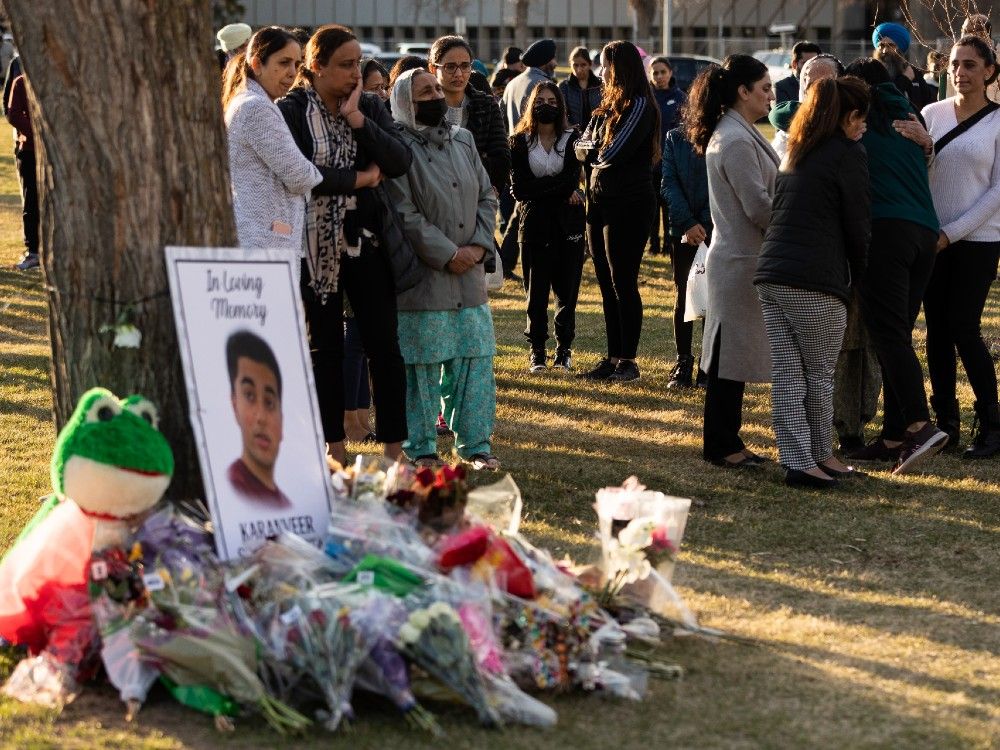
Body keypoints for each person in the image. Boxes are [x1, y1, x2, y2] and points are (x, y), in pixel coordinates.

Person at [278, 24, 411, 467]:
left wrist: (357, 121)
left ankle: (394, 449)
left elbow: (399, 161)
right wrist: (363, 178)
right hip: (315, 246)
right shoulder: (292, 110)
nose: (356, 73)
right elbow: (304, 178)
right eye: (345, 65)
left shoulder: (369, 105)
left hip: (367, 244)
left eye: (358, 63)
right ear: (315, 67)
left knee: (384, 346)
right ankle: (332, 447)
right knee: (325, 349)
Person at [755, 77, 871, 488]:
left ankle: (803, 458)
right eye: (860, 118)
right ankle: (813, 456)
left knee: (789, 373)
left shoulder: (795, 152)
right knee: (820, 375)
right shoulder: (847, 154)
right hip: (816, 280)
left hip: (773, 275)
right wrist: (861, 276)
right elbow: (858, 224)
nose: (863, 127)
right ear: (845, 117)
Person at [386, 68, 501, 470]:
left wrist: (477, 246)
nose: (437, 95)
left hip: (469, 275)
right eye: (426, 92)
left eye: (437, 89)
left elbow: (487, 195)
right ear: (405, 102)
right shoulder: (398, 148)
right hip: (426, 277)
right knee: (421, 367)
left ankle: (475, 446)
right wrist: (449, 253)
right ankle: (420, 448)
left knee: (474, 361)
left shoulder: (463, 139)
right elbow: (403, 211)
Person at [841, 57, 949, 473]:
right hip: (924, 234)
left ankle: (921, 427)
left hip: (886, 231)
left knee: (887, 337)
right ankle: (893, 436)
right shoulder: (907, 114)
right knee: (897, 336)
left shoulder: (857, 119)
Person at [686, 54, 778, 467]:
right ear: (743, 92)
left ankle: (728, 440)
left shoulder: (738, 131)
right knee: (726, 360)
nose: (771, 95)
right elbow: (758, 206)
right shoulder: (736, 139)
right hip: (739, 260)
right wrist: (797, 216)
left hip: (742, 259)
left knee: (732, 359)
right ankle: (720, 444)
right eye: (764, 88)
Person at [921, 35, 1000, 459]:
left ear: (989, 71)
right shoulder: (930, 114)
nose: (960, 72)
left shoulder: (998, 122)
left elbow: (997, 193)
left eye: (970, 65)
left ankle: (991, 423)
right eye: (954, 64)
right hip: (931, 242)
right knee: (936, 332)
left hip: (978, 241)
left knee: (964, 329)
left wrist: (950, 233)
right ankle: (945, 423)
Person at [575, 41, 660, 383]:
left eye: (605, 64)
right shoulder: (604, 107)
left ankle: (629, 361)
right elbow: (580, 146)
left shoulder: (639, 105)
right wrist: (591, 150)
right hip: (598, 201)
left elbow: (614, 153)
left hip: (629, 204)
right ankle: (612, 358)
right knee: (606, 284)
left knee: (623, 280)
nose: (601, 71)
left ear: (620, 67)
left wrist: (591, 150)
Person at [222, 27, 341, 260]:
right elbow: (300, 175)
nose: (292, 73)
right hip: (261, 244)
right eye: (284, 62)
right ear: (257, 63)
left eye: (297, 65)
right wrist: (313, 172)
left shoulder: (251, 101)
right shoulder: (256, 107)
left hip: (259, 237)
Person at [509, 82, 585, 372]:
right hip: (534, 224)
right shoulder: (519, 141)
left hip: (568, 223)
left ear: (560, 105)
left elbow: (571, 180)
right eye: (540, 100)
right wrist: (560, 189)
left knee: (567, 291)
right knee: (536, 292)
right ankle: (537, 351)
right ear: (531, 104)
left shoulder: (572, 138)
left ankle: (564, 349)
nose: (546, 105)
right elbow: (519, 189)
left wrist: (551, 188)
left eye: (552, 100)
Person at [661, 122, 712, 389]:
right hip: (682, 229)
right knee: (684, 294)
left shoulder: (723, 134)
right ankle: (683, 361)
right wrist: (689, 223)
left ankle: (708, 364)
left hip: (714, 228)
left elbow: (723, 182)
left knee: (712, 297)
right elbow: (668, 183)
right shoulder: (675, 137)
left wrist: (704, 224)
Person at [428, 36, 510, 194]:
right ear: (433, 68)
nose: (459, 74)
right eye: (450, 67)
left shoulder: (486, 104)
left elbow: (501, 158)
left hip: (479, 196)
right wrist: (478, 159)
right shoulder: (423, 105)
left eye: (465, 66)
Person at [225, 330, 292, 508]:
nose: (261, 417)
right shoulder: (231, 489)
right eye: (249, 396)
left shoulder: (289, 504)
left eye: (269, 403)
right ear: (234, 404)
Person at [769, 54, 843, 160]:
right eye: (811, 85)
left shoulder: (851, 119)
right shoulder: (786, 135)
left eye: (825, 85)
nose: (817, 91)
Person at [648, 56, 687, 256]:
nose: (660, 76)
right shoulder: (645, 97)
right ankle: (653, 244)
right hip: (650, 162)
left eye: (663, 71)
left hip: (671, 162)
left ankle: (668, 245)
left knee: (669, 205)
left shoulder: (680, 97)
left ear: (670, 73)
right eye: (655, 72)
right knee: (652, 205)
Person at [6, 72, 37, 271]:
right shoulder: (21, 82)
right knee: (31, 201)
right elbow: (13, 114)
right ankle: (34, 251)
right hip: (29, 151)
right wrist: (38, 133)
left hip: (58, 151)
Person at [502, 38, 557, 132]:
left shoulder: (511, 84)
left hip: (514, 144)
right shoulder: (545, 85)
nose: (556, 63)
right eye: (553, 58)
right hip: (536, 145)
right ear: (545, 60)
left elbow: (503, 121)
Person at [875, 45, 937, 112]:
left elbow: (929, 100)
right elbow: (885, 98)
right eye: (881, 46)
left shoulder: (914, 72)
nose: (885, 50)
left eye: (890, 45)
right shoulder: (875, 74)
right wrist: (905, 79)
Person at [559, 46, 602, 128]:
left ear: (590, 64)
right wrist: (570, 128)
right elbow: (561, 114)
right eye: (575, 65)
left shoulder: (599, 85)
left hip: (596, 133)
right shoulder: (564, 86)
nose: (579, 69)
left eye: (583, 65)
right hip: (572, 134)